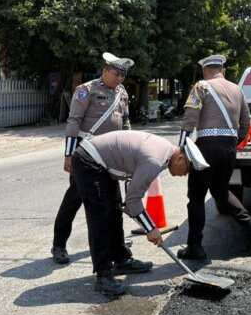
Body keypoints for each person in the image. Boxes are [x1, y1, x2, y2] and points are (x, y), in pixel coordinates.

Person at [72, 130, 207, 296]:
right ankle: (103, 276)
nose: (183, 175)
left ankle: (121, 259)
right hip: (89, 161)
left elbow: (131, 200)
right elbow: (133, 201)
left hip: (103, 164)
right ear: (180, 158)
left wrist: (140, 216)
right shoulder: (155, 160)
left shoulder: (165, 152)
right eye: (186, 170)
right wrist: (150, 229)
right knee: (101, 218)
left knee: (114, 213)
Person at [178, 54, 251, 261]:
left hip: (206, 148)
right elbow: (246, 123)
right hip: (228, 149)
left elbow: (189, 120)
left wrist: (181, 148)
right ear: (222, 70)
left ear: (204, 71)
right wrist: (232, 144)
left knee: (197, 197)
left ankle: (194, 247)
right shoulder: (237, 90)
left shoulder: (200, 86)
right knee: (220, 190)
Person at [52, 52, 134, 265]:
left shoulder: (122, 93)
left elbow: (125, 123)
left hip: (111, 156)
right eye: (116, 74)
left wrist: (127, 151)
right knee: (74, 199)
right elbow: (74, 122)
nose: (120, 79)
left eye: (123, 76)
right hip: (87, 155)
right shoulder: (86, 90)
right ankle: (59, 245)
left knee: (114, 202)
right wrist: (69, 154)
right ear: (105, 70)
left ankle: (118, 249)